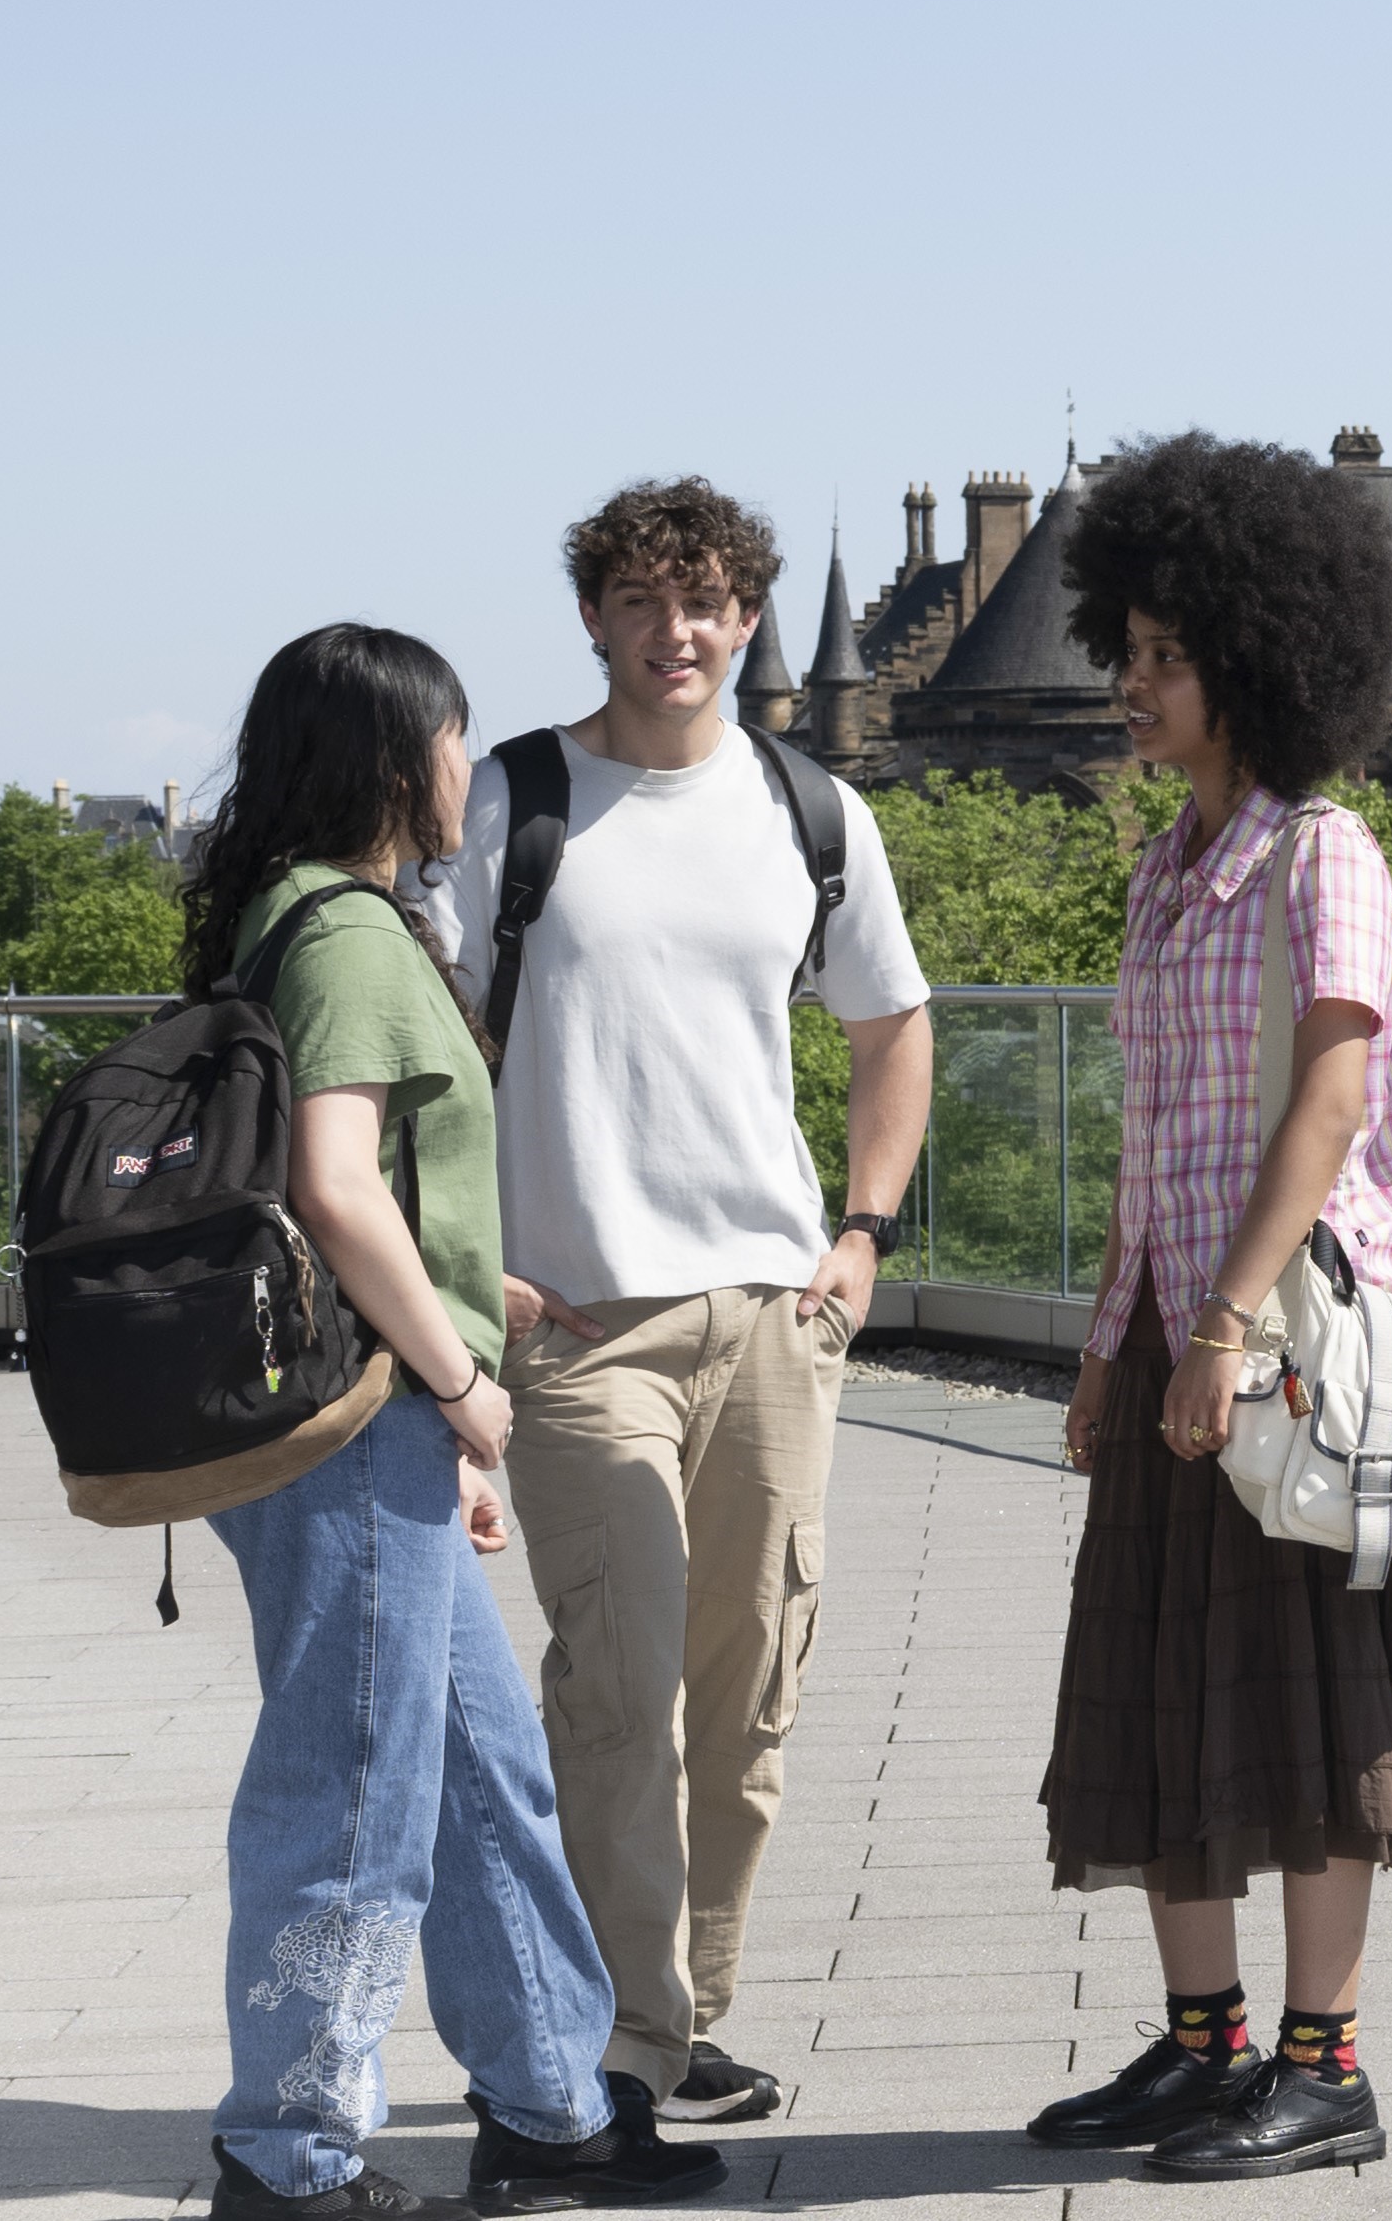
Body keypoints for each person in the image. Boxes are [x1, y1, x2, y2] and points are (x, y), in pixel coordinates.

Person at [172, 624, 726, 2220]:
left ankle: (550, 2106)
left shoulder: (293, 915)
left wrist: (484, 1314)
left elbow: (375, 1192)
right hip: (361, 1427)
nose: (466, 771)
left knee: (486, 1770)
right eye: (452, 739)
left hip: (364, 1425)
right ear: (391, 755)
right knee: (350, 1790)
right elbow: (334, 1189)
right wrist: (466, 1388)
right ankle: (288, 2154)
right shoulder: (345, 934)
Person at [1024, 433, 1392, 2185]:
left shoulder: (1326, 855)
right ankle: (1201, 2046)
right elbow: (1152, 1134)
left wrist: (1225, 1324)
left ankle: (1325, 2068)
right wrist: (1112, 1347)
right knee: (1170, 1684)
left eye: (1164, 657)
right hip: (1189, 1330)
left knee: (1312, 1698)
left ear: (1257, 657)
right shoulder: (1170, 865)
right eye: (1128, 655)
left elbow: (1326, 1102)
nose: (1134, 688)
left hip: (1300, 1341)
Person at [439, 479, 936, 2131]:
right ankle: (622, 2038)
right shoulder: (510, 801)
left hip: (774, 1318)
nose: (680, 631)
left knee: (749, 1698)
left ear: (745, 619)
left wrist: (861, 1238)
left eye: (710, 602)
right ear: (594, 616)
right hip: (580, 1331)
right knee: (617, 1679)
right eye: (647, 602)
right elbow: (413, 1054)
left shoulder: (812, 810)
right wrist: (471, 1272)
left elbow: (892, 1027)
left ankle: (681, 2013)